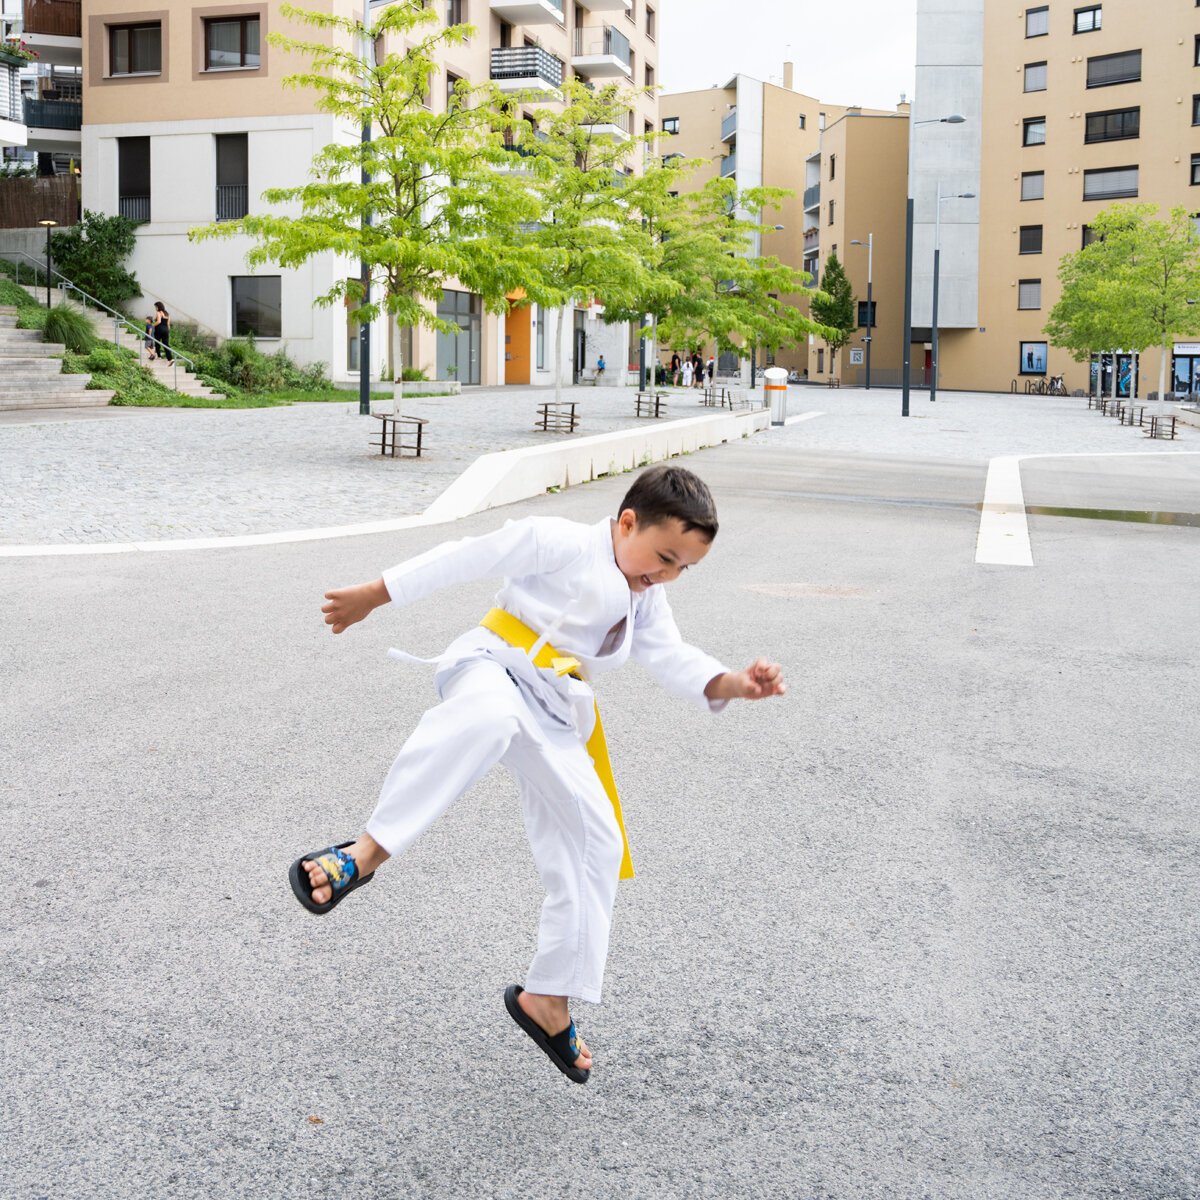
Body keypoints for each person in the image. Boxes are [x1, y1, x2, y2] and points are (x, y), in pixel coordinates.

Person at [290, 466, 786, 1085]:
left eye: (683, 568)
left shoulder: (646, 597)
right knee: (486, 720)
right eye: (663, 558)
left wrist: (734, 684)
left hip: (556, 709)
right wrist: (375, 592)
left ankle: (549, 996)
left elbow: (672, 657)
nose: (665, 576)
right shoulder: (558, 540)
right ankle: (362, 854)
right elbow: (466, 555)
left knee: (599, 840)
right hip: (496, 665)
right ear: (627, 521)